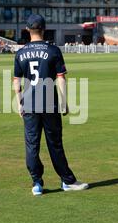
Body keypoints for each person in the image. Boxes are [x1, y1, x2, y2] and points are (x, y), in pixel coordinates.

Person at [13, 14, 89, 196]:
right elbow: (61, 79)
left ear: (27, 30)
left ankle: (36, 183)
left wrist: (18, 103)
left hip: (29, 104)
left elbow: (17, 82)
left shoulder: (21, 53)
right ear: (44, 29)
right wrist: (64, 102)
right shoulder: (53, 50)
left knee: (32, 145)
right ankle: (67, 181)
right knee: (55, 144)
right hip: (49, 103)